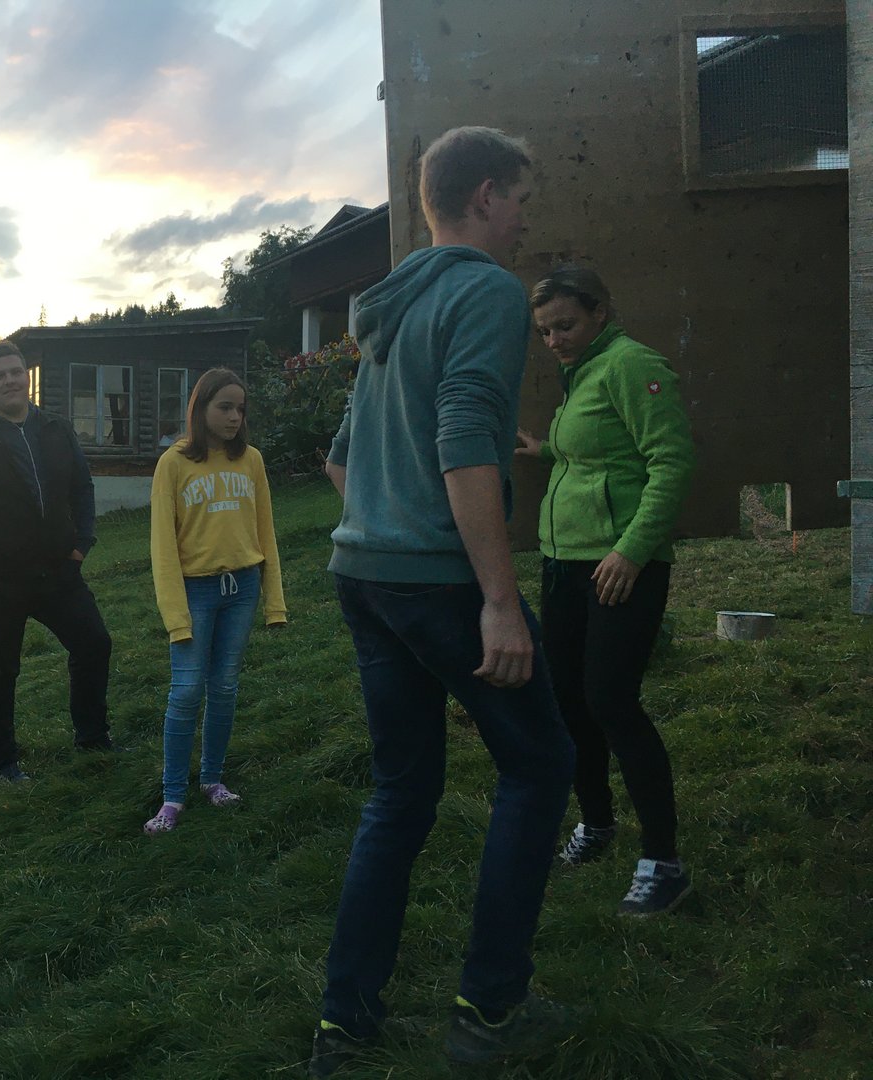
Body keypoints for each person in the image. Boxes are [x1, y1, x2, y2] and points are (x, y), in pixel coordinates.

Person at [309, 127, 576, 1076]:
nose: (526, 219)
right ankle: (489, 1012)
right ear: (485, 195)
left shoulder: (391, 305)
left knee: (402, 790)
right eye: (521, 199)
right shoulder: (485, 292)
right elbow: (466, 444)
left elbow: (340, 459)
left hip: (363, 574)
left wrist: (388, 522)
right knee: (541, 766)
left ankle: (345, 1026)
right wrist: (498, 601)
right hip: (437, 584)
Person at [516, 265, 695, 916]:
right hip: (564, 562)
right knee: (570, 702)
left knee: (611, 702)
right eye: (544, 332)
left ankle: (663, 863)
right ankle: (596, 822)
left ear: (599, 312)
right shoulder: (583, 372)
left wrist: (631, 550)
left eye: (565, 325)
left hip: (620, 567)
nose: (554, 341)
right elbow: (597, 453)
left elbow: (671, 461)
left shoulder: (630, 365)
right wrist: (548, 450)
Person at [0, 341, 117, 781]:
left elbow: (82, 488)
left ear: (26, 377)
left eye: (16, 372)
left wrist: (82, 542)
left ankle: (92, 738)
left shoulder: (55, 428)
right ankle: (4, 763)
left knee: (94, 644)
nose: (10, 381)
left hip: (58, 569)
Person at [144, 368, 286, 835]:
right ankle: (172, 796)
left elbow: (266, 532)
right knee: (186, 690)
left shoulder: (252, 461)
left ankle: (212, 780)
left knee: (224, 687)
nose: (234, 417)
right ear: (200, 407)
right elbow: (163, 546)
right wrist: (175, 616)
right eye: (225, 407)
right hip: (195, 592)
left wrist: (274, 603)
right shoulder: (174, 463)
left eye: (240, 409)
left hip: (242, 588)